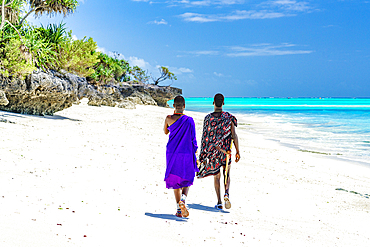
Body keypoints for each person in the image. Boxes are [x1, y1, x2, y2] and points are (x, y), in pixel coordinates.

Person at [197, 93, 240, 210]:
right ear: (224, 103)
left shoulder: (208, 118)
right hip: (226, 152)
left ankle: (220, 202)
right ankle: (227, 193)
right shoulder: (229, 117)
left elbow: (205, 138)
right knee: (227, 174)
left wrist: (203, 155)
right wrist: (237, 151)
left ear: (213, 103)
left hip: (214, 153)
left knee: (217, 177)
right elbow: (234, 135)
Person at [164, 95, 198, 217]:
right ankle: (183, 199)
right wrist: (195, 153)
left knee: (175, 179)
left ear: (173, 106)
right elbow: (193, 139)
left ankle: (179, 209)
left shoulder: (168, 118)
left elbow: (166, 131)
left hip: (172, 152)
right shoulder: (190, 120)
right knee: (187, 177)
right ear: (184, 106)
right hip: (186, 152)